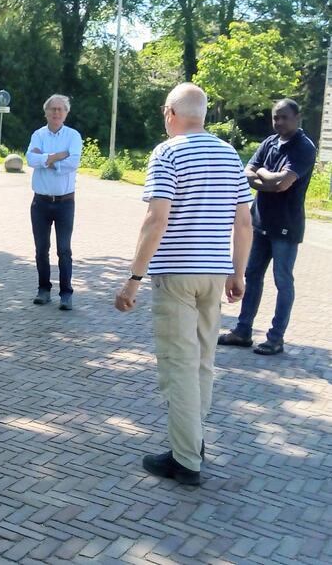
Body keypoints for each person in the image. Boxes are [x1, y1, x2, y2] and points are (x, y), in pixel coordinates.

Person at [115, 83, 252, 486]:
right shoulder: (229, 154)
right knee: (203, 362)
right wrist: (238, 273)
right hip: (214, 273)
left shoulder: (168, 153)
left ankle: (186, 459)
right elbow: (243, 222)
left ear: (169, 112)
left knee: (178, 365)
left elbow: (156, 219)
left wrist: (133, 279)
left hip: (176, 273)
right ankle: (194, 438)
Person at [218, 99, 317, 356]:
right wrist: (267, 178)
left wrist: (261, 175)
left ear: (298, 117)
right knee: (251, 276)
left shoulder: (304, 148)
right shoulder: (269, 143)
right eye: (275, 117)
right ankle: (242, 331)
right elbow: (246, 173)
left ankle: (276, 338)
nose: (279, 122)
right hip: (259, 222)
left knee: (283, 281)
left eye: (284, 117)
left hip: (286, 226)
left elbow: (283, 184)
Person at [26, 94, 82, 310]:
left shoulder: (73, 136)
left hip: (65, 202)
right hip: (40, 202)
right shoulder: (38, 135)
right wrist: (58, 156)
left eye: (61, 109)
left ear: (66, 113)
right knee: (41, 248)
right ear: (46, 112)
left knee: (64, 249)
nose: (56, 113)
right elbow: (31, 159)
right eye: (53, 109)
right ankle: (44, 289)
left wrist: (46, 159)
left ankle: (66, 293)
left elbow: (73, 163)